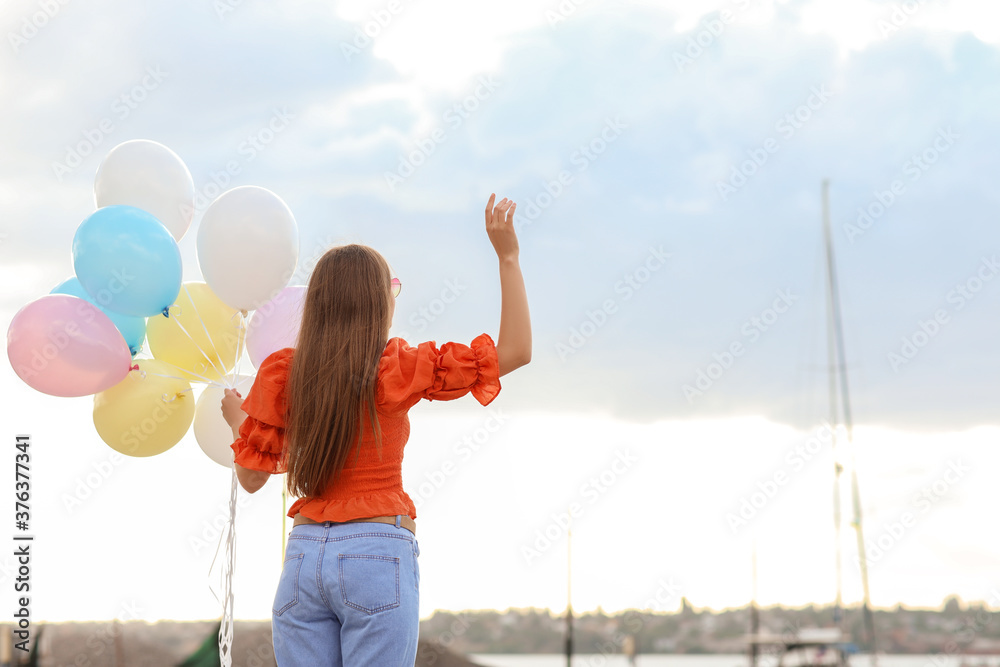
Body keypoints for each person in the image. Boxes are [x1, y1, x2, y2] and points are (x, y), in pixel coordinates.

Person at [220, 193, 531, 666]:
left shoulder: (285, 373)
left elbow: (251, 478)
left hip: (303, 557)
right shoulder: (396, 367)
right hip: (375, 555)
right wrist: (508, 256)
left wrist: (240, 421)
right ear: (378, 303)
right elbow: (515, 352)